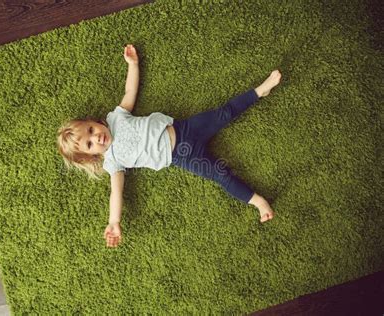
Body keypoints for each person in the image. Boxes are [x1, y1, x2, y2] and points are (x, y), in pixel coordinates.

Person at [57, 44, 281, 248]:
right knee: (221, 176)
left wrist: (133, 65)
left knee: (224, 113)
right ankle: (258, 202)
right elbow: (116, 192)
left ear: (94, 122)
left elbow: (129, 93)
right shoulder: (113, 162)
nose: (96, 137)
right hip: (183, 155)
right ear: (91, 156)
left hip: (185, 129)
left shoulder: (116, 118)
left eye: (91, 130)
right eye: (89, 144)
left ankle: (259, 91)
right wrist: (113, 221)